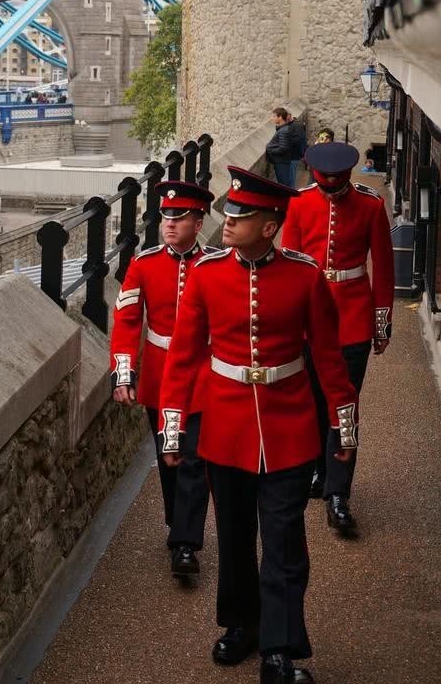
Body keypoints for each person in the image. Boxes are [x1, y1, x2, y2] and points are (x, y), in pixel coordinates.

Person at [159, 167, 357, 684]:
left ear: (269, 225)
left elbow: (329, 359)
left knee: (285, 542)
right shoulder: (206, 274)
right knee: (234, 537)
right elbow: (182, 357)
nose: (228, 222)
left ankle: (280, 651)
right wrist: (174, 429)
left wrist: (345, 427)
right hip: (225, 426)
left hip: (289, 429)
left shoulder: (305, 275)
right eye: (229, 212)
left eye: (241, 215)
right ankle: (241, 624)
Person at [281, 142, 394, 535]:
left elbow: (382, 263)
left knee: (344, 403)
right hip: (310, 316)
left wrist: (381, 320)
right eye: (324, 179)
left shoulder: (370, 205)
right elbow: (290, 266)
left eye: (336, 180)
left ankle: (339, 493)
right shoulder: (298, 203)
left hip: (352, 317)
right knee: (312, 401)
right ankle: (318, 472)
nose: (330, 185)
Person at [110, 181, 215, 579]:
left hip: (203, 375)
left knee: (194, 458)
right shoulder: (144, 263)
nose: (169, 224)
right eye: (166, 217)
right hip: (158, 372)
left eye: (180, 217)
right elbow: (127, 320)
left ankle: (186, 543)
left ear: (198, 220)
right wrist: (124, 374)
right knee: (168, 458)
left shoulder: (214, 263)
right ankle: (179, 523)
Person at [265, 107, 299, 187]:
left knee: (283, 185)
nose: (272, 118)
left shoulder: (283, 131)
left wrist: (270, 149)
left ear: (280, 117)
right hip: (282, 161)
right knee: (283, 184)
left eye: (274, 116)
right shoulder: (284, 129)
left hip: (281, 162)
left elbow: (283, 148)